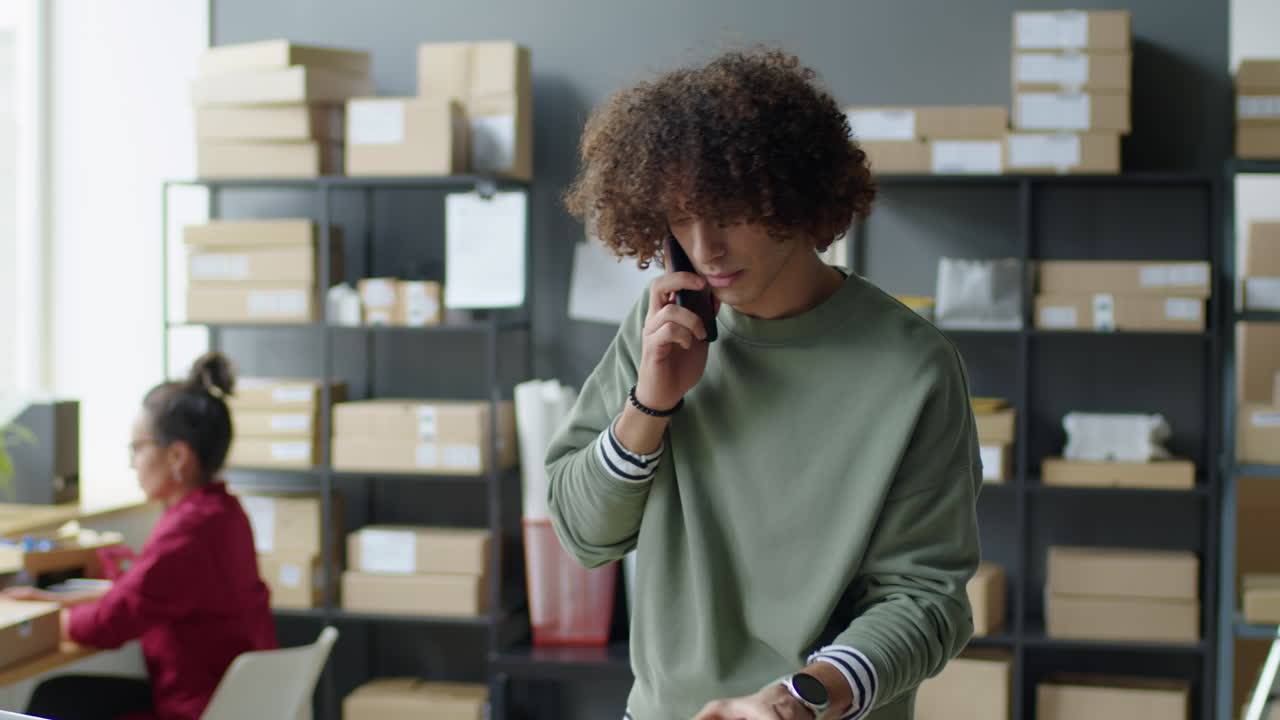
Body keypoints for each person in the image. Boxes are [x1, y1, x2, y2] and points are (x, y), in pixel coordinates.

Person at [548, 48, 982, 720]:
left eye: (729, 212)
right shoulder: (662, 326)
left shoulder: (912, 366)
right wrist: (651, 402)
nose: (705, 246)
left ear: (795, 193)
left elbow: (925, 601)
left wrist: (794, 701)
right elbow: (582, 534)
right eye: (679, 218)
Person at [3, 352, 276, 720]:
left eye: (138, 448)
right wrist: (59, 603)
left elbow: (109, 625)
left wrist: (42, 621)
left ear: (178, 456)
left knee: (55, 699)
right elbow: (143, 597)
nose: (133, 463)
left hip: (195, 707)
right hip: (231, 700)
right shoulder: (225, 513)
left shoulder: (187, 531)